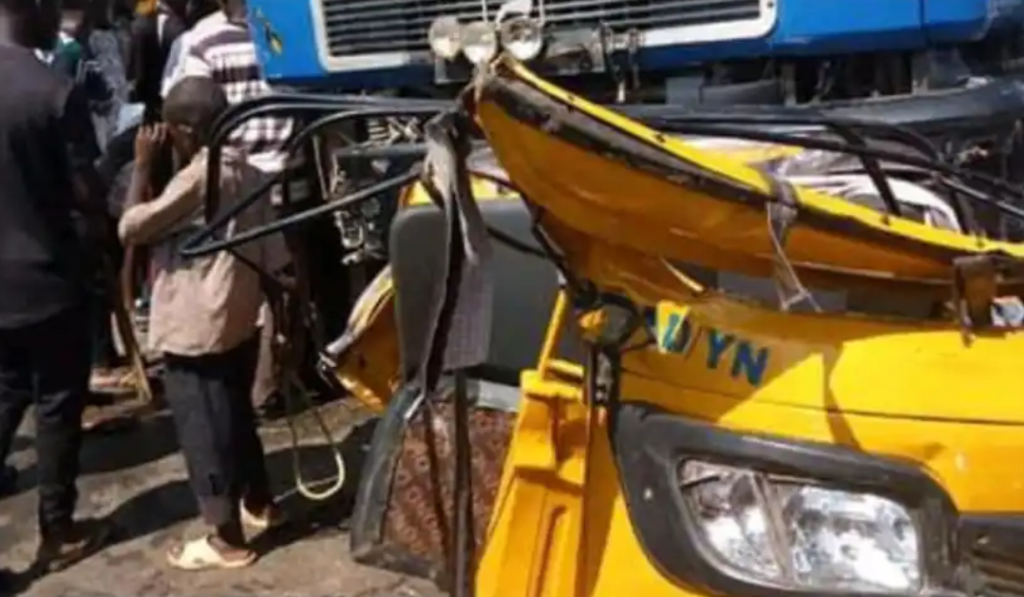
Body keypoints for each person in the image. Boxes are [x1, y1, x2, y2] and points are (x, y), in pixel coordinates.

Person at [118, 76, 286, 570]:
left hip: (196, 327)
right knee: (235, 419)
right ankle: (261, 503)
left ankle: (225, 538)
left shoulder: (197, 177)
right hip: (237, 317)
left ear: (184, 131)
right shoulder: (251, 172)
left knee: (203, 430)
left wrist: (142, 168)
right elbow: (274, 254)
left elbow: (131, 227)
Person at [0, 0, 112, 573]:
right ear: (34, 11)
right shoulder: (52, 91)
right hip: (47, 281)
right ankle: (56, 529)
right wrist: (109, 241)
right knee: (57, 406)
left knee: (6, 394)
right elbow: (87, 195)